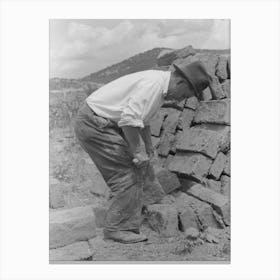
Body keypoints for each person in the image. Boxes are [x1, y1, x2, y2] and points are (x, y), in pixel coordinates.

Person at [74, 61, 216, 244]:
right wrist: (137, 152)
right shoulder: (153, 86)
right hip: (94, 124)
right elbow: (128, 120)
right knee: (128, 174)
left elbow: (143, 119)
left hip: (100, 121)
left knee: (135, 170)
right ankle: (116, 229)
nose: (181, 100)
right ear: (181, 83)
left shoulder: (159, 88)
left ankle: (128, 215)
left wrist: (149, 147)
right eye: (185, 95)